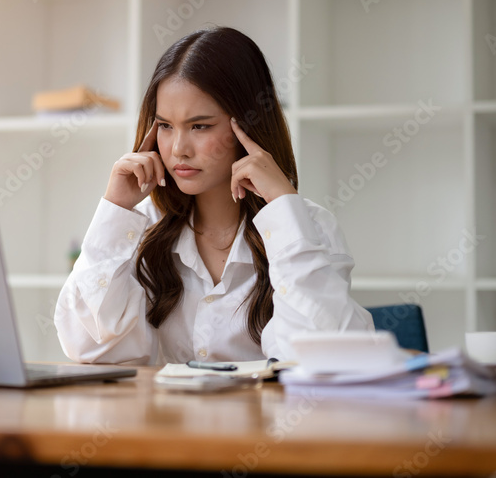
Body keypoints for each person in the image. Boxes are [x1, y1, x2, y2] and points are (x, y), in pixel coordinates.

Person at [54, 26, 373, 365]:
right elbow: (89, 350)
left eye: (200, 126)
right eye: (164, 125)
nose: (178, 149)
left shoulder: (308, 227)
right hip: (163, 419)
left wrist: (282, 207)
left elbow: (324, 359)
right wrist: (114, 211)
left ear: (247, 126)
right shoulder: (142, 227)